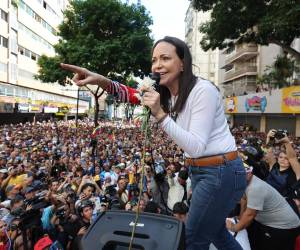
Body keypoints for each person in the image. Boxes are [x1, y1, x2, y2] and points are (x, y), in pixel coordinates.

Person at [61, 36, 247, 250]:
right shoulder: (168, 93)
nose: (158, 65)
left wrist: (159, 113)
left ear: (183, 62)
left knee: (194, 238)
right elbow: (130, 94)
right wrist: (98, 79)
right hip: (204, 171)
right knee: (216, 233)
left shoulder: (202, 90)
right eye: (154, 60)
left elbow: (196, 147)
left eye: (165, 58)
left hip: (220, 172)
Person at [226, 167, 300, 250]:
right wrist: (240, 216)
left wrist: (234, 228)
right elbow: (244, 198)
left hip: (283, 227)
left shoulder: (255, 187)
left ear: (249, 173)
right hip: (274, 223)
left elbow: (250, 215)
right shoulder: (247, 182)